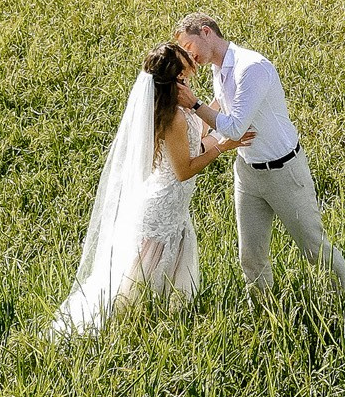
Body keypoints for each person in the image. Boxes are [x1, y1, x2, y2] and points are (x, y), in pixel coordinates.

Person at [51, 41, 253, 335]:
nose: (190, 77)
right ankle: (125, 328)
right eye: (185, 74)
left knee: (159, 277)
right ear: (175, 80)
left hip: (174, 207)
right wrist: (223, 146)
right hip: (161, 209)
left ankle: (156, 325)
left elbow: (198, 136)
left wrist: (219, 104)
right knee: (136, 280)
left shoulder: (179, 109)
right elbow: (184, 169)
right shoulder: (172, 117)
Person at [175, 12, 345, 294]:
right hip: (247, 173)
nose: (188, 55)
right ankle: (264, 313)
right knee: (251, 256)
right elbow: (222, 113)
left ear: (206, 33)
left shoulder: (252, 67)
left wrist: (194, 104)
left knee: (314, 248)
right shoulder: (218, 70)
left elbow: (233, 128)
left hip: (284, 172)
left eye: (189, 46)